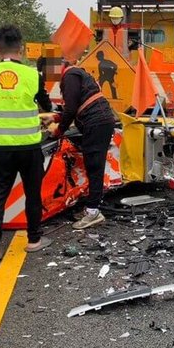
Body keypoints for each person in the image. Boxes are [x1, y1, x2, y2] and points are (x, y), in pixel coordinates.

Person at [0, 25, 53, 261]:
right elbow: (46, 104)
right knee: (32, 194)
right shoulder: (33, 75)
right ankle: (34, 240)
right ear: (21, 48)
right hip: (29, 146)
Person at [47, 61, 116, 229]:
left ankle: (93, 212)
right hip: (101, 121)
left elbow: (71, 109)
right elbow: (77, 104)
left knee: (94, 168)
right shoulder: (76, 74)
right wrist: (55, 118)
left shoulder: (70, 76)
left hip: (96, 123)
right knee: (94, 167)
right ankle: (91, 208)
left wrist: (59, 130)